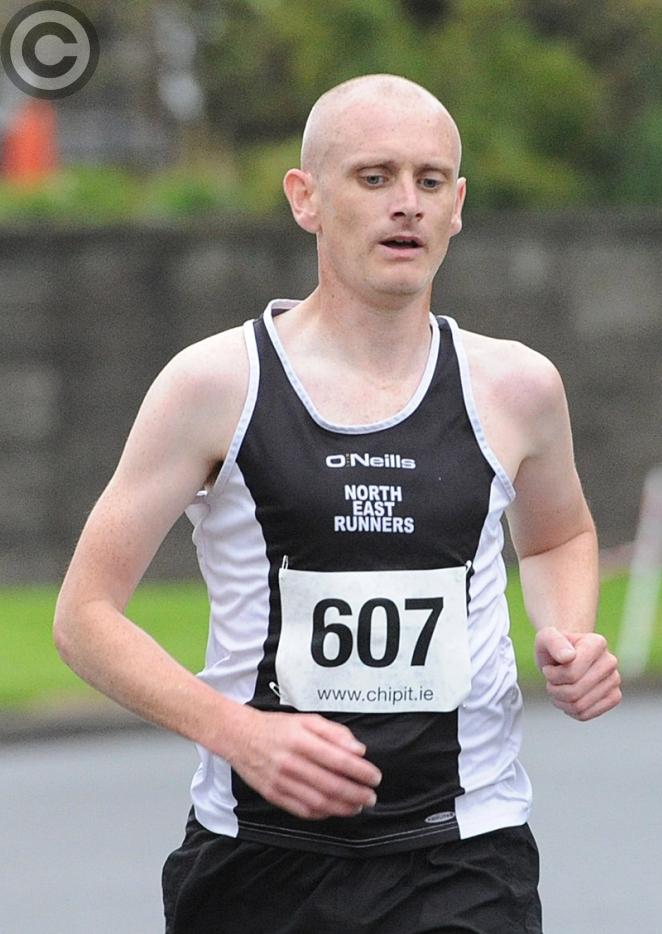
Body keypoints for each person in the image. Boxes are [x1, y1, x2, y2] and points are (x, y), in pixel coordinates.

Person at [54, 73, 622, 934]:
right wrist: (239, 734)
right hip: (258, 858)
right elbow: (84, 617)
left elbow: (556, 537)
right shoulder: (215, 383)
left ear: (458, 206)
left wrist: (570, 634)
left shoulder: (517, 386)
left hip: (464, 853)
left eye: (430, 180)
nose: (407, 203)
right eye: (374, 177)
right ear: (305, 198)